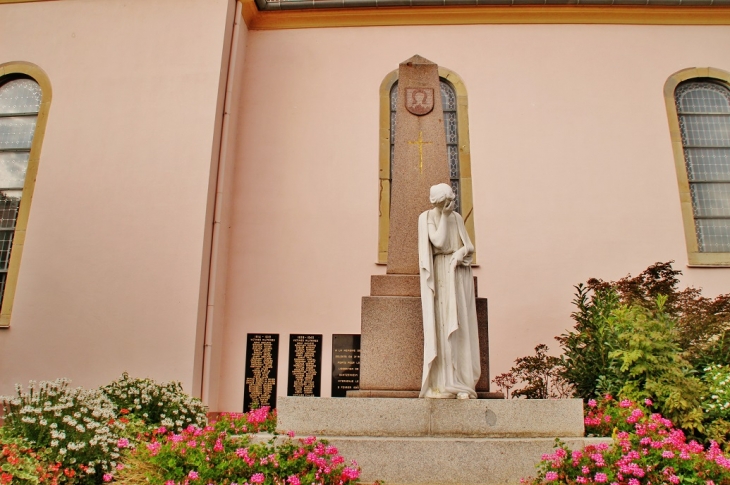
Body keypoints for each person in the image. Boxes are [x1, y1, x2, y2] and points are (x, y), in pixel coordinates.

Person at [418, 183, 480, 399]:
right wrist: (443, 216)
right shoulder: (427, 217)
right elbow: (438, 241)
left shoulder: (456, 217)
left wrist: (460, 253)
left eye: (451, 201)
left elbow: (469, 247)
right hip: (441, 274)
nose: (450, 205)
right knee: (444, 326)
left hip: (457, 274)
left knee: (459, 325)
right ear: (438, 201)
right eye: (446, 202)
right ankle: (444, 383)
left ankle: (460, 381)